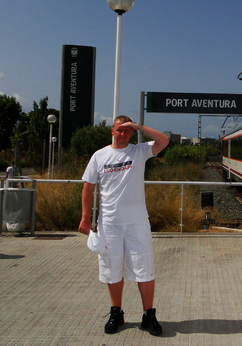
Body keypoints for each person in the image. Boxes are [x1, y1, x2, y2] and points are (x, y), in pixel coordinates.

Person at [79, 116, 169, 336]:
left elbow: (163, 141)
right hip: (109, 223)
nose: (123, 134)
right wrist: (85, 218)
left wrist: (138, 126)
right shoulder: (99, 156)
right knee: (112, 269)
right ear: (112, 130)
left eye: (127, 131)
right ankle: (116, 312)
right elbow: (88, 188)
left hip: (137, 222)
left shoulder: (139, 151)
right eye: (120, 130)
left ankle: (149, 315)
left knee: (144, 268)